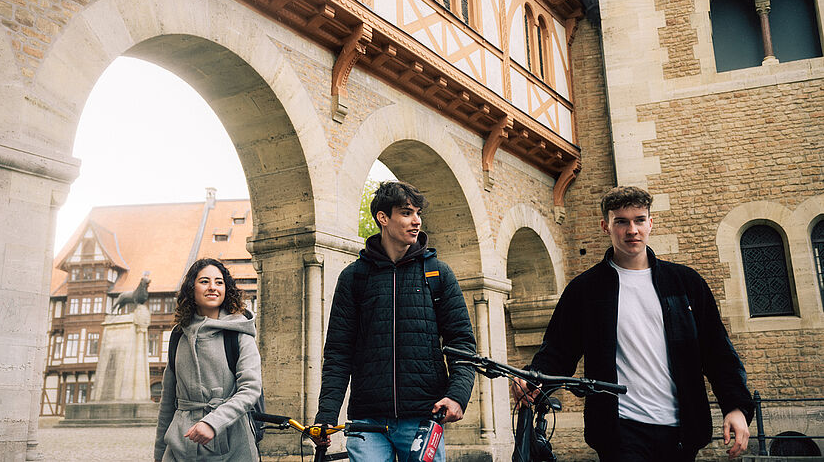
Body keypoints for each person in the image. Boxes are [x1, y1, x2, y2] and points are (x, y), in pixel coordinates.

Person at [515, 186, 753, 461]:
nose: (632, 230)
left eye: (639, 220)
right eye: (621, 222)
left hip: (681, 431)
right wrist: (532, 380)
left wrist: (735, 407)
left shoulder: (686, 283)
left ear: (650, 223)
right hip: (620, 432)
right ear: (606, 226)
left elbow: (717, 352)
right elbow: (558, 351)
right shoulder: (586, 290)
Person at [314, 181, 476, 461]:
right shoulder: (354, 277)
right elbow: (339, 352)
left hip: (423, 419)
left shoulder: (438, 273)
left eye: (418, 213)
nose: (417, 221)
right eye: (407, 213)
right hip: (367, 421)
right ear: (383, 218)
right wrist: (327, 415)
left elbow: (462, 344)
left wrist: (457, 396)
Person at [155, 258, 262, 461]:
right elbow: (168, 402)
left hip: (232, 442)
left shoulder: (239, 333)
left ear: (226, 289)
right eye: (204, 281)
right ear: (191, 289)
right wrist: (159, 454)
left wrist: (213, 422)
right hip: (181, 445)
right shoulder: (178, 335)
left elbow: (250, 388)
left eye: (219, 282)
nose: (213, 287)